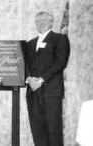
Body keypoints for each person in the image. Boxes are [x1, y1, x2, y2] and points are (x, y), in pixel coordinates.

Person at [25, 11, 70, 146]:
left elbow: (60, 62)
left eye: (44, 21)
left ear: (51, 22)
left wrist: (40, 80)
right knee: (37, 131)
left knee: (53, 131)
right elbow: (24, 64)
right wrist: (29, 79)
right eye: (37, 21)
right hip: (33, 93)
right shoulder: (29, 43)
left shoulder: (60, 39)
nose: (40, 24)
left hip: (51, 92)